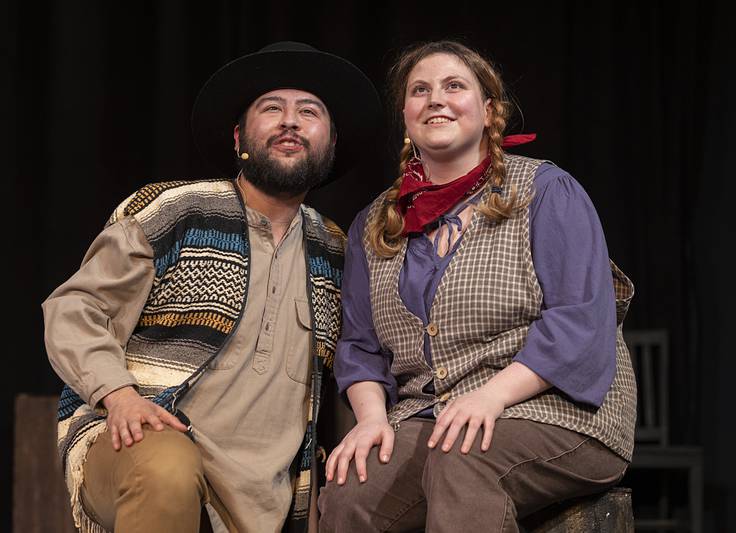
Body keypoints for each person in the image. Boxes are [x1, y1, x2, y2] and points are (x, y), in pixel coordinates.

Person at [42, 41, 380, 533]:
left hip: (263, 496)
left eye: (309, 112)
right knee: (168, 468)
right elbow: (76, 307)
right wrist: (118, 395)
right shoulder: (177, 211)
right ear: (239, 136)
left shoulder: (336, 252)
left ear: (330, 144)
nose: (290, 121)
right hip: (140, 440)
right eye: (272, 108)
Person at [317, 40, 637, 532]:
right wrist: (372, 419)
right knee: (349, 490)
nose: (435, 100)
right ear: (406, 116)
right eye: (420, 91)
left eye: (454, 86)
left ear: (489, 112)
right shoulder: (374, 223)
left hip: (560, 413)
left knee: (463, 458)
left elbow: (579, 320)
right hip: (432, 416)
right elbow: (360, 346)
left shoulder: (545, 191)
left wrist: (492, 396)